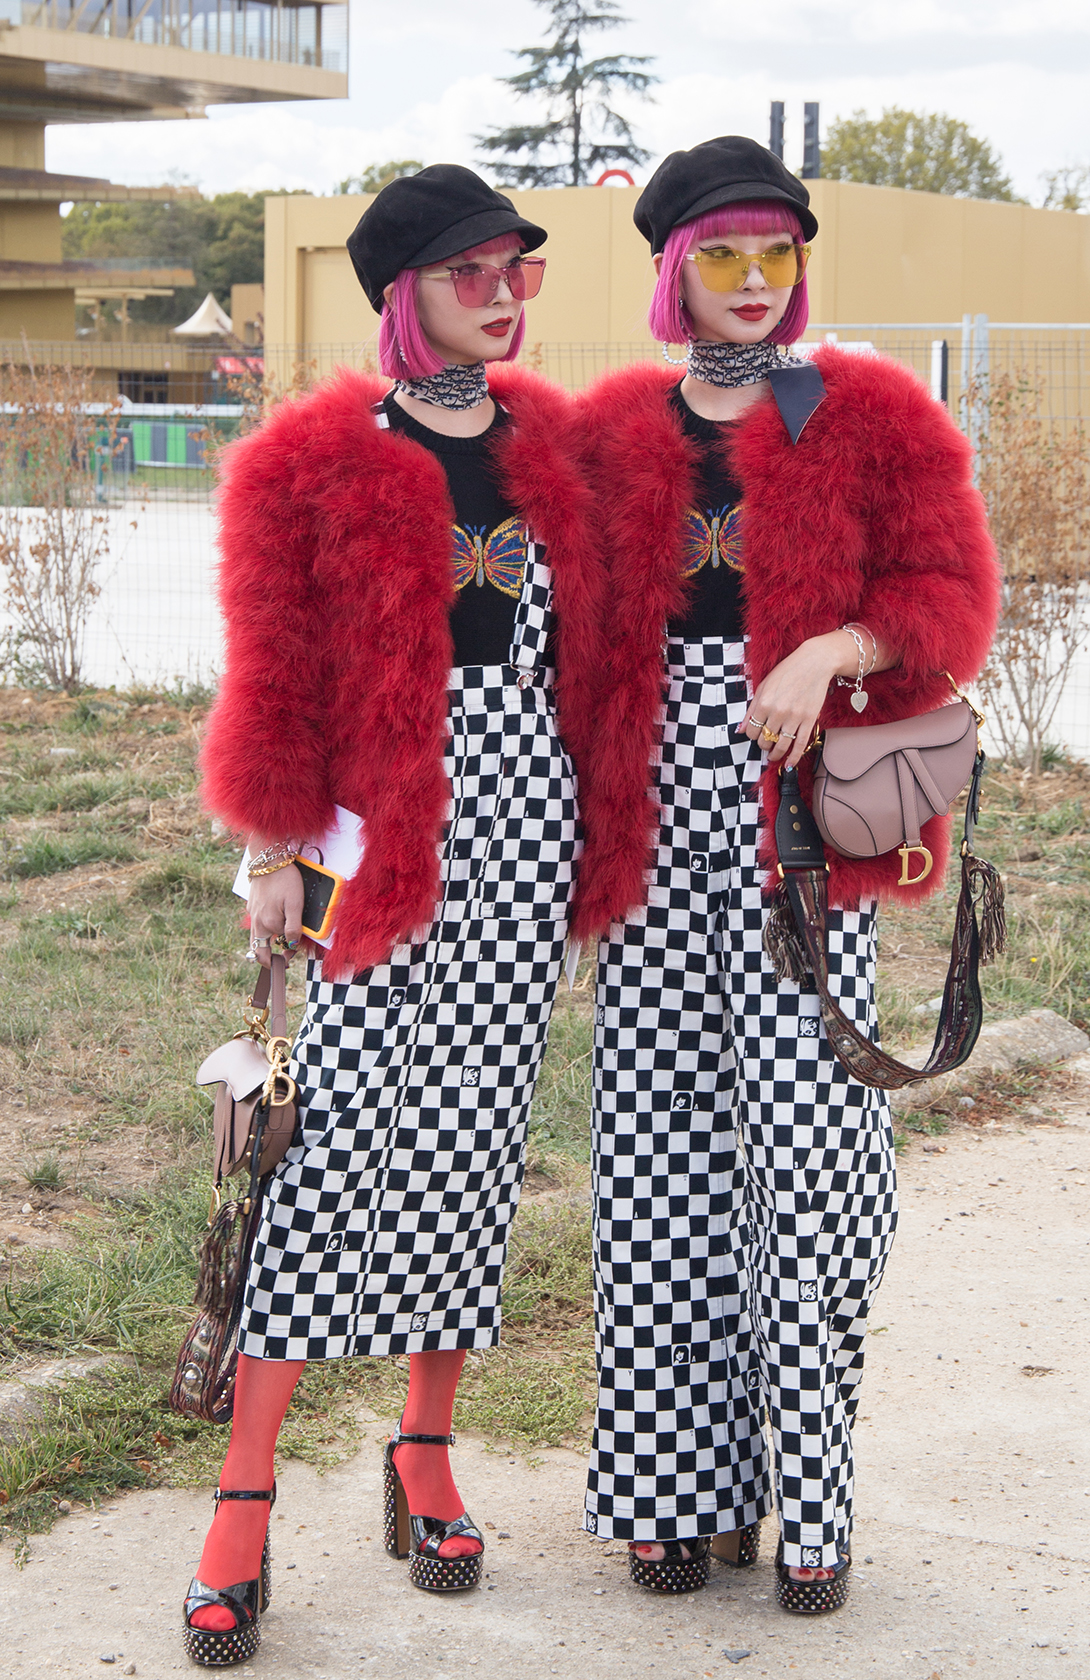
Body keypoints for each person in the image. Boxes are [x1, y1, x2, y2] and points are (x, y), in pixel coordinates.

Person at [571, 135, 999, 1613]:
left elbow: (951, 594)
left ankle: (811, 1499)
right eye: (723, 256)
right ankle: (671, 1495)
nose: (754, 281)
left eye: (777, 253)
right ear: (673, 270)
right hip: (648, 846)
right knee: (658, 1168)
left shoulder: (866, 410)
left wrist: (835, 645)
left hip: (805, 841)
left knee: (810, 1163)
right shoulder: (610, 431)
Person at [185, 165, 603, 1666]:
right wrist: (269, 844)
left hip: (528, 834)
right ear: (402, 293)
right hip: (376, 841)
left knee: (473, 1151)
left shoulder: (554, 448)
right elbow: (273, 669)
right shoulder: (311, 460)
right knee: (332, 1153)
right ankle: (242, 1499)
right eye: (468, 271)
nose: (501, 295)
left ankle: (424, 1455)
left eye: (516, 270)